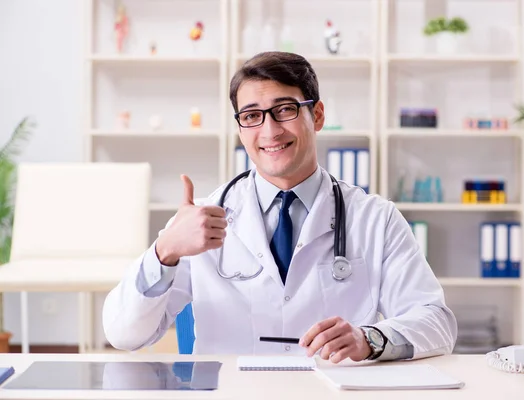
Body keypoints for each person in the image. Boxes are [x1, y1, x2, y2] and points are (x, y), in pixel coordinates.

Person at [102, 51, 457, 363]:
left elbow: (436, 322)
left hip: (332, 390)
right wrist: (165, 251)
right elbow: (123, 333)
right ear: (241, 128)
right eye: (252, 115)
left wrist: (370, 339)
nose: (269, 131)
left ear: (317, 115)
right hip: (233, 393)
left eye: (284, 110)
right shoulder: (198, 220)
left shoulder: (374, 218)